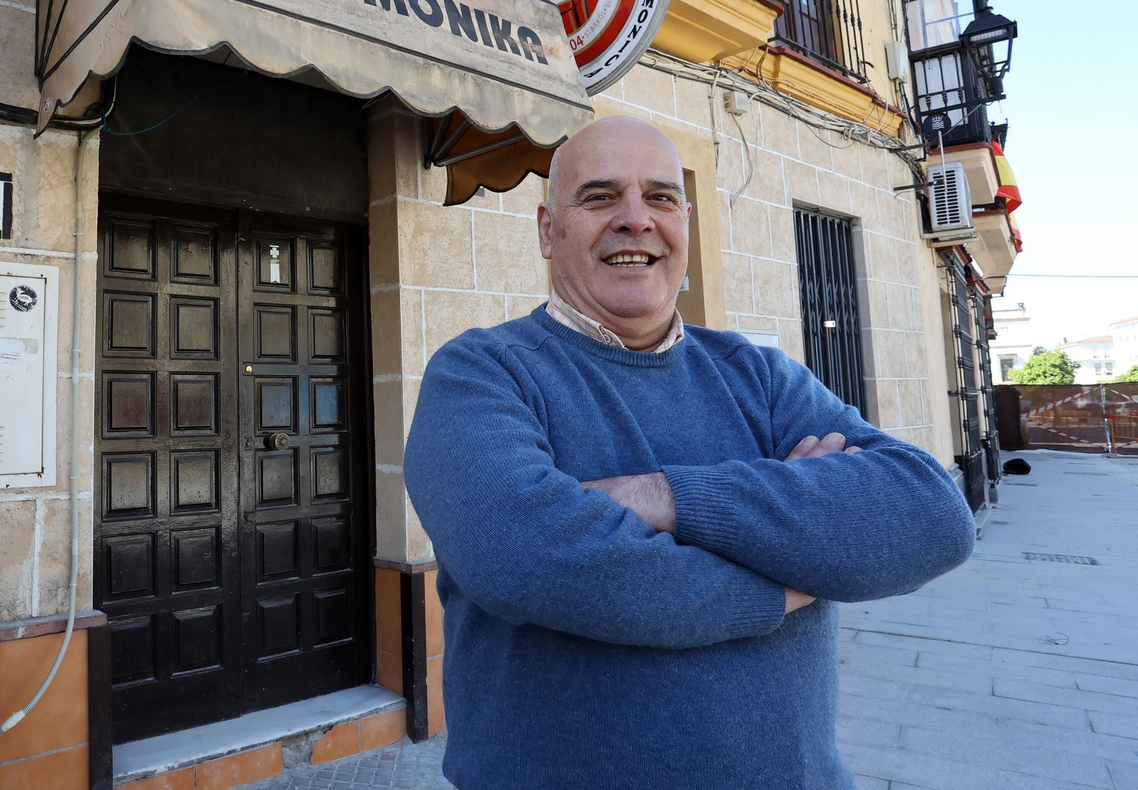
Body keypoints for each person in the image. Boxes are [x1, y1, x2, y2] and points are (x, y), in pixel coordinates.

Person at [403, 115, 976, 789]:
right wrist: (789, 573)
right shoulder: (482, 372)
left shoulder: (761, 377)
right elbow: (522, 553)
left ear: (685, 225)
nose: (635, 219)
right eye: (599, 197)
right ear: (546, 231)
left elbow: (932, 515)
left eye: (662, 197)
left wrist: (665, 499)